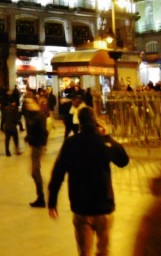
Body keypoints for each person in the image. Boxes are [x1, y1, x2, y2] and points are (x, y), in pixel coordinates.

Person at [48, 107, 130, 256]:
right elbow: (123, 161)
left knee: (84, 252)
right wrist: (108, 137)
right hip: (103, 206)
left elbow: (58, 172)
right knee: (104, 251)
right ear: (95, 121)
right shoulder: (103, 143)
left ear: (79, 122)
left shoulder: (71, 144)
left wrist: (52, 201)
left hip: (81, 207)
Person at [24, 91, 50, 207]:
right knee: (35, 172)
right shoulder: (30, 114)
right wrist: (27, 137)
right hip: (34, 144)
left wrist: (43, 145)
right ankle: (42, 196)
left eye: (29, 102)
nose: (27, 105)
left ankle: (42, 197)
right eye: (26, 103)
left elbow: (44, 131)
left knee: (35, 172)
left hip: (37, 146)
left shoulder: (39, 115)